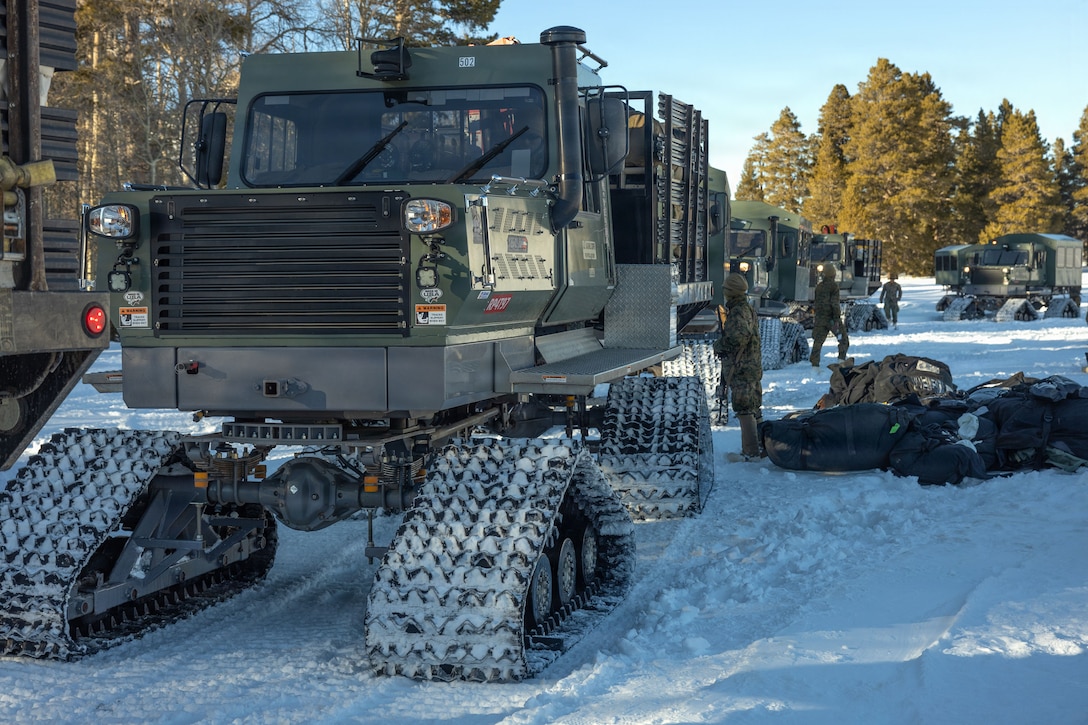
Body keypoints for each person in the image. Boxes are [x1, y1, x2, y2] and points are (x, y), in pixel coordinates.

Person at [713, 273, 763, 461]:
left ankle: (751, 451)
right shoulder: (747, 308)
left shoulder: (738, 312)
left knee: (745, 409)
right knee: (753, 407)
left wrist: (719, 345)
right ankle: (761, 446)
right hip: (750, 366)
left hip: (741, 368)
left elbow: (737, 338)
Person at [809, 265, 849, 367]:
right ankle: (841, 361)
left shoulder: (819, 286)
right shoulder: (834, 286)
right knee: (843, 340)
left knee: (818, 342)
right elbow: (834, 303)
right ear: (833, 274)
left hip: (820, 318)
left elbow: (817, 302)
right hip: (832, 319)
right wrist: (836, 319)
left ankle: (814, 364)